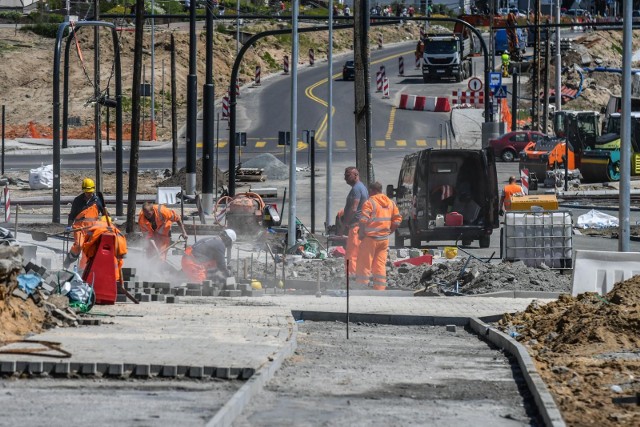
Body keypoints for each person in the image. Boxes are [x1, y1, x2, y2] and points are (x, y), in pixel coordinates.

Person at [355, 182, 401, 291]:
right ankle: (380, 288)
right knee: (379, 265)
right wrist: (390, 231)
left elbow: (363, 220)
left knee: (364, 264)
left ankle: (361, 287)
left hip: (370, 239)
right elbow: (397, 220)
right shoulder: (391, 203)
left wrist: (361, 233)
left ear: (372, 190)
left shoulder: (370, 203)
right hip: (383, 239)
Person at [64, 178, 106, 269]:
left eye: (90, 192)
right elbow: (72, 215)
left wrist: (107, 223)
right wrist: (69, 226)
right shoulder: (77, 200)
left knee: (88, 250)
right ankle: (69, 259)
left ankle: (82, 270)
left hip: (92, 229)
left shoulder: (98, 201)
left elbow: (105, 214)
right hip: (79, 228)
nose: (89, 194)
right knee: (79, 245)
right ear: (83, 190)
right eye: (87, 192)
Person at [339, 167, 368, 277]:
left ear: (356, 175)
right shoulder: (362, 187)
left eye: (348, 175)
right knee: (359, 254)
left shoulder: (356, 189)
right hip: (360, 227)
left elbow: (354, 208)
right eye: (345, 175)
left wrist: (345, 224)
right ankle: (360, 277)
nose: (345, 178)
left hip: (356, 227)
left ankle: (352, 278)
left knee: (352, 254)